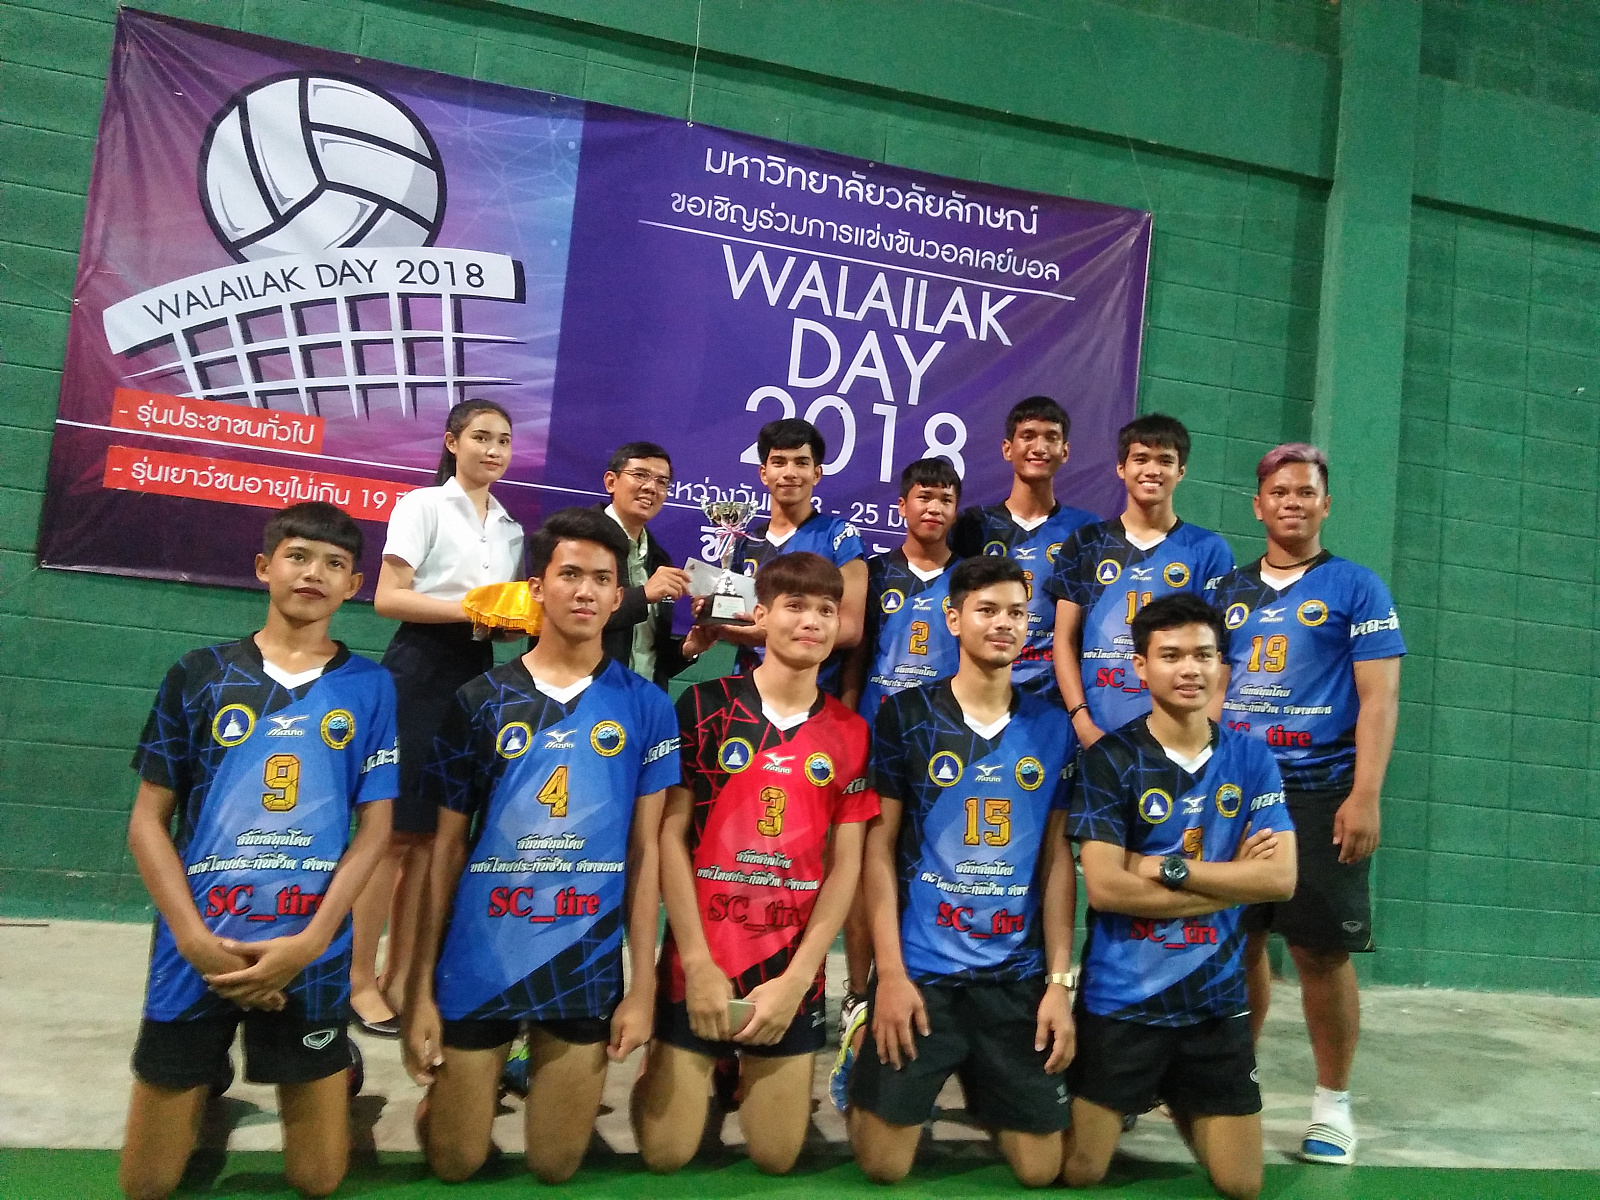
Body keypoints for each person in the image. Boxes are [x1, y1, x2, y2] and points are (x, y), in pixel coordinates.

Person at [119, 503, 398, 1200]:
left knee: (318, 1180)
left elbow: (376, 831)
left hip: (308, 948)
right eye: (298, 556)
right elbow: (148, 822)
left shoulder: (370, 686)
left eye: (334, 564)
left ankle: (337, 1062)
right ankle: (208, 1073)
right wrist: (193, 939)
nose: (313, 574)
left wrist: (312, 942)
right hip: (199, 946)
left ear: (353, 585)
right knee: (147, 1186)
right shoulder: (199, 673)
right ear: (264, 567)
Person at [401, 508, 678, 1184]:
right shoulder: (479, 699)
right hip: (480, 957)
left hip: (583, 963)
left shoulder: (647, 707)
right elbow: (443, 853)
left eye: (602, 579)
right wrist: (418, 989)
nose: (585, 592)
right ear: (537, 588)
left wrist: (642, 989)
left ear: (619, 595)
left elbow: (645, 856)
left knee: (556, 1166)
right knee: (456, 1163)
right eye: (570, 574)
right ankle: (458, 1097)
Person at [631, 552, 878, 1175]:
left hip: (788, 972)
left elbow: (845, 867)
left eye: (826, 610)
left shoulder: (852, 732)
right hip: (702, 962)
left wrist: (798, 980)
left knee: (776, 1157)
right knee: (666, 1155)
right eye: (795, 606)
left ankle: (738, 1073)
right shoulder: (702, 705)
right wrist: (695, 963)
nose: (812, 621)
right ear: (760, 616)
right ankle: (686, 1067)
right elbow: (670, 838)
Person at [845, 556, 1079, 1187]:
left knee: (1042, 1171)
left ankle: (985, 1080)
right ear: (953, 618)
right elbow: (877, 850)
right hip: (924, 975)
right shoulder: (905, 716)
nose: (1004, 624)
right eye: (987, 610)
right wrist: (888, 977)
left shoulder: (1052, 727)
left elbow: (1057, 860)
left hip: (1014, 978)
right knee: (883, 1165)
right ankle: (864, 1058)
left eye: (1016, 613)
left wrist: (1059, 983)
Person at [1061, 594, 1296, 1200]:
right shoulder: (1110, 760)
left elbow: (1279, 879)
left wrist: (1166, 868)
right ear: (1141, 666)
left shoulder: (1251, 756)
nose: (1190, 669)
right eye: (1171, 656)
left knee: (1242, 1186)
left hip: (1214, 1006)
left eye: (1203, 655)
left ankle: (1180, 1090)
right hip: (1122, 1003)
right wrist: (1229, 881)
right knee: (1081, 1171)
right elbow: (1107, 889)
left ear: (1222, 664)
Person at [1211, 443, 1403, 1166]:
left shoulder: (1357, 587)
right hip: (1238, 793)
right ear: (1258, 505)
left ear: (1325, 504)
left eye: (1305, 492)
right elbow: (1211, 689)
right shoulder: (1227, 591)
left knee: (1319, 951)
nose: (1291, 502)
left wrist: (1365, 795)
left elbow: (1379, 698)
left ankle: (1333, 1106)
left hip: (1321, 792)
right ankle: (1234, 1080)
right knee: (1239, 942)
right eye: (1279, 492)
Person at [362, 399, 524, 1035]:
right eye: (481, 437)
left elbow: (498, 622)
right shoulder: (422, 506)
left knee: (434, 842)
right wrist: (473, 612)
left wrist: (510, 624)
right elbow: (388, 598)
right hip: (418, 672)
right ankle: (356, 982)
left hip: (475, 676)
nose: (493, 450)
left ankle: (403, 979)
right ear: (453, 442)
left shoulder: (510, 529)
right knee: (393, 836)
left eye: (503, 440)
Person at [835, 457, 964, 1048]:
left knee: (930, 862)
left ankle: (921, 981)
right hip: (876, 736)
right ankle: (857, 994)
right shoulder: (876, 571)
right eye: (923, 497)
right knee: (867, 863)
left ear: (955, 510)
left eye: (944, 499)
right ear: (902, 505)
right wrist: (849, 722)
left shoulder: (968, 577)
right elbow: (857, 655)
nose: (933, 508)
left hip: (945, 743)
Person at [1048, 413, 1234, 748]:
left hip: (1176, 737)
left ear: (1181, 471)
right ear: (1121, 468)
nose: (1152, 470)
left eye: (1165, 460)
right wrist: (1081, 721)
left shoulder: (1209, 550)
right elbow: (1063, 640)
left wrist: (1199, 734)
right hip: (1094, 732)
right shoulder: (1086, 542)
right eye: (1141, 459)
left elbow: (1218, 650)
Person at [697, 418, 867, 697]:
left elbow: (849, 630)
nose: (790, 473)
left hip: (813, 694)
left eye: (801, 463)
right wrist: (712, 615)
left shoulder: (840, 537)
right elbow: (737, 616)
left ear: (817, 473)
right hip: (749, 692)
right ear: (764, 473)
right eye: (779, 462)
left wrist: (765, 634)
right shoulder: (744, 541)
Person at [949, 396, 1097, 702]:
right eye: (1028, 436)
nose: (1039, 448)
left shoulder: (1087, 530)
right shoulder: (974, 525)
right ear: (1008, 449)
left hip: (1053, 697)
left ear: (1065, 451)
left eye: (1051, 438)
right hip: (979, 688)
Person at [597, 441, 691, 688]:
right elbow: (569, 619)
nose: (651, 487)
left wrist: (688, 649)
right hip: (586, 698)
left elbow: (649, 656)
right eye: (640, 475)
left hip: (644, 700)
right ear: (611, 482)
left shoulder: (659, 559)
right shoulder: (578, 541)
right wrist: (643, 596)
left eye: (662, 481)